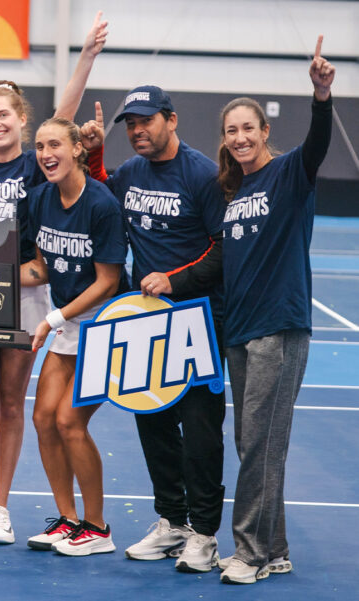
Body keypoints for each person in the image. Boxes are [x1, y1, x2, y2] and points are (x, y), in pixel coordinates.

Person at [0, 12, 108, 545]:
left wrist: (85, 56)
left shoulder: (32, 166)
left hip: (27, 294)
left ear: (21, 119)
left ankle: (3, 504)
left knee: (14, 404)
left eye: (5, 115)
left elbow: (63, 118)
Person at [78, 86, 227, 572]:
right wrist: (96, 150)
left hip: (198, 321)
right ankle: (172, 521)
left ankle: (204, 534)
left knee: (201, 429)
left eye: (145, 121)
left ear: (171, 119)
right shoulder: (132, 172)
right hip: (146, 321)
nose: (137, 130)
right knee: (153, 421)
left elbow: (225, 249)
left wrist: (175, 279)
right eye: (130, 124)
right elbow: (101, 189)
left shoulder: (203, 174)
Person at [215, 37, 334, 585]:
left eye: (249, 128)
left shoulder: (289, 173)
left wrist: (321, 96)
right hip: (239, 331)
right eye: (231, 130)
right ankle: (276, 547)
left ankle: (251, 552)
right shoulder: (235, 191)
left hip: (278, 330)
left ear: (265, 133)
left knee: (261, 442)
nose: (240, 137)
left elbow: (317, 145)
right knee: (252, 443)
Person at [23, 117, 126, 557]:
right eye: (40, 146)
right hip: (67, 320)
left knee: (69, 420)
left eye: (55, 145)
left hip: (102, 322)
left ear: (76, 150)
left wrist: (52, 318)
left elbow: (107, 280)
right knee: (43, 417)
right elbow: (43, 267)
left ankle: (97, 528)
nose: (47, 154)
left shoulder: (101, 204)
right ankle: (67, 520)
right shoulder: (41, 199)